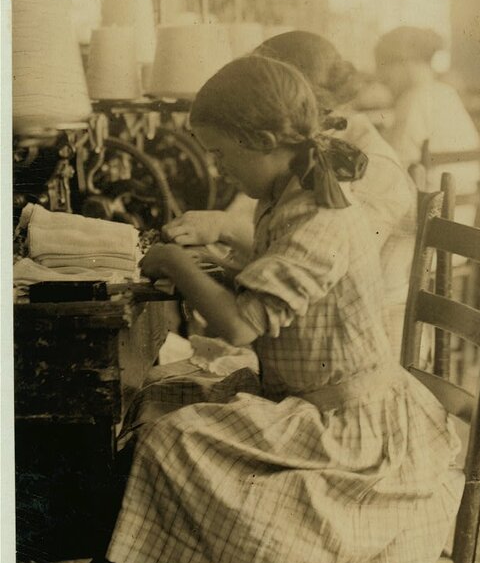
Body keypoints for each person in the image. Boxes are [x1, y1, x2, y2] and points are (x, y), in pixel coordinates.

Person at [56, 55, 463, 563]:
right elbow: (277, 287)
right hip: (301, 398)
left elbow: (241, 325)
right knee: (159, 399)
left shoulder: (322, 217)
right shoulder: (285, 201)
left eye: (222, 155)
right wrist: (214, 267)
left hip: (351, 428)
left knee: (176, 440)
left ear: (266, 140)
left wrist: (178, 264)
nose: (219, 169)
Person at [165, 30, 417, 357]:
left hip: (359, 339)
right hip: (308, 330)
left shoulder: (367, 166)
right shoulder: (308, 158)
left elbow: (308, 249)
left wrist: (223, 227)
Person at [374, 26, 480, 225]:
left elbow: (389, 173)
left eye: (385, 72)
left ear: (404, 63)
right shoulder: (447, 94)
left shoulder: (413, 99)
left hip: (424, 239)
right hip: (459, 229)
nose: (384, 82)